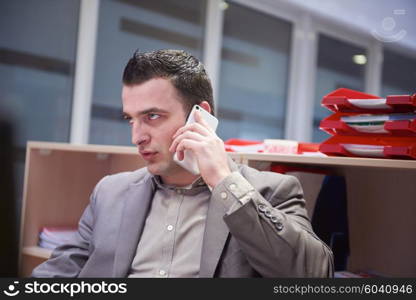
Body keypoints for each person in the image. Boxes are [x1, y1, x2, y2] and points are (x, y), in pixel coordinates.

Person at [32, 49, 333, 278]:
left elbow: (314, 273)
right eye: (130, 119)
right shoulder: (110, 193)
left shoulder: (271, 189)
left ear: (199, 116)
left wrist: (224, 183)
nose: (137, 136)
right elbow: (58, 273)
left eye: (152, 116)